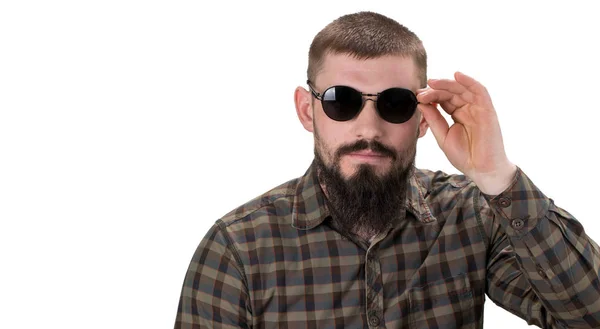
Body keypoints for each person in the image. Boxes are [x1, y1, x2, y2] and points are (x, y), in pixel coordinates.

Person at [174, 11, 600, 329]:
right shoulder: (238, 247)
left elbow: (588, 315)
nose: (369, 129)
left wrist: (497, 176)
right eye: (343, 101)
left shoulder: (470, 216)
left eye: (395, 103)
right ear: (308, 111)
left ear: (422, 118)